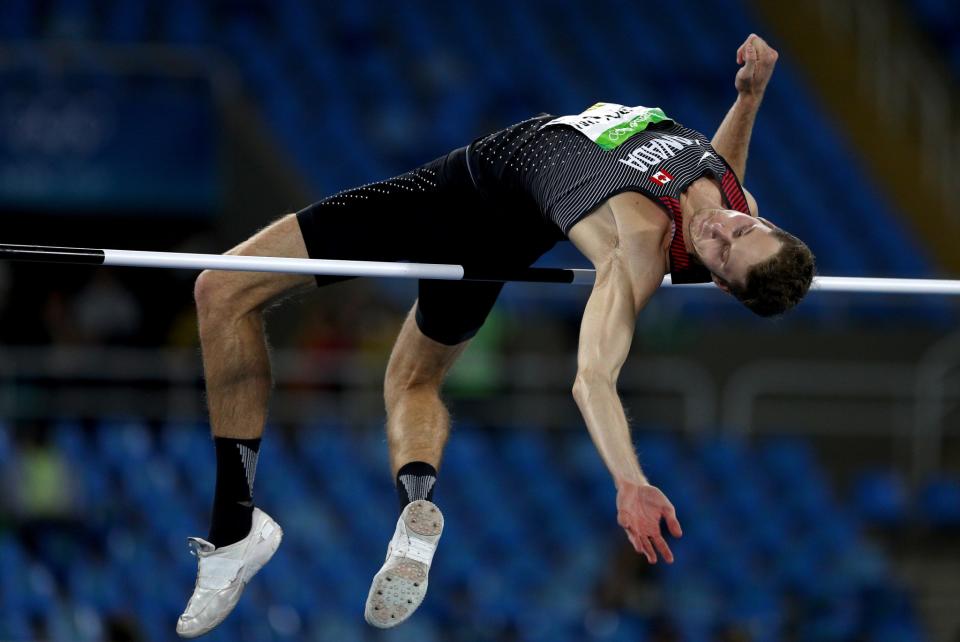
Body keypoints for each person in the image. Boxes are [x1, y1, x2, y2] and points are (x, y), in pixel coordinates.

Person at [176, 33, 814, 637]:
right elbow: (723, 174)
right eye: (739, 227)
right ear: (759, 218)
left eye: (727, 251)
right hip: (499, 241)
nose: (720, 232)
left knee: (220, 289)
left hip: (452, 195)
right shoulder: (733, 199)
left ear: (721, 284)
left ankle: (234, 531)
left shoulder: (637, 251)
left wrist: (630, 481)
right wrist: (749, 98)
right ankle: (414, 508)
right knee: (413, 379)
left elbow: (593, 377)